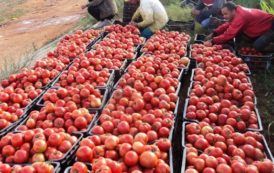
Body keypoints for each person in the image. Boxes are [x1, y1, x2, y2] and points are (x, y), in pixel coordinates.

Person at [205, 2, 274, 51]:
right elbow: (228, 24)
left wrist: (212, 41)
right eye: (223, 14)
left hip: (271, 26)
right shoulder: (237, 11)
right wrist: (215, 33)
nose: (224, 16)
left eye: (226, 14)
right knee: (241, 37)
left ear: (233, 11)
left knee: (257, 46)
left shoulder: (241, 17)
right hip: (261, 26)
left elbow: (228, 34)